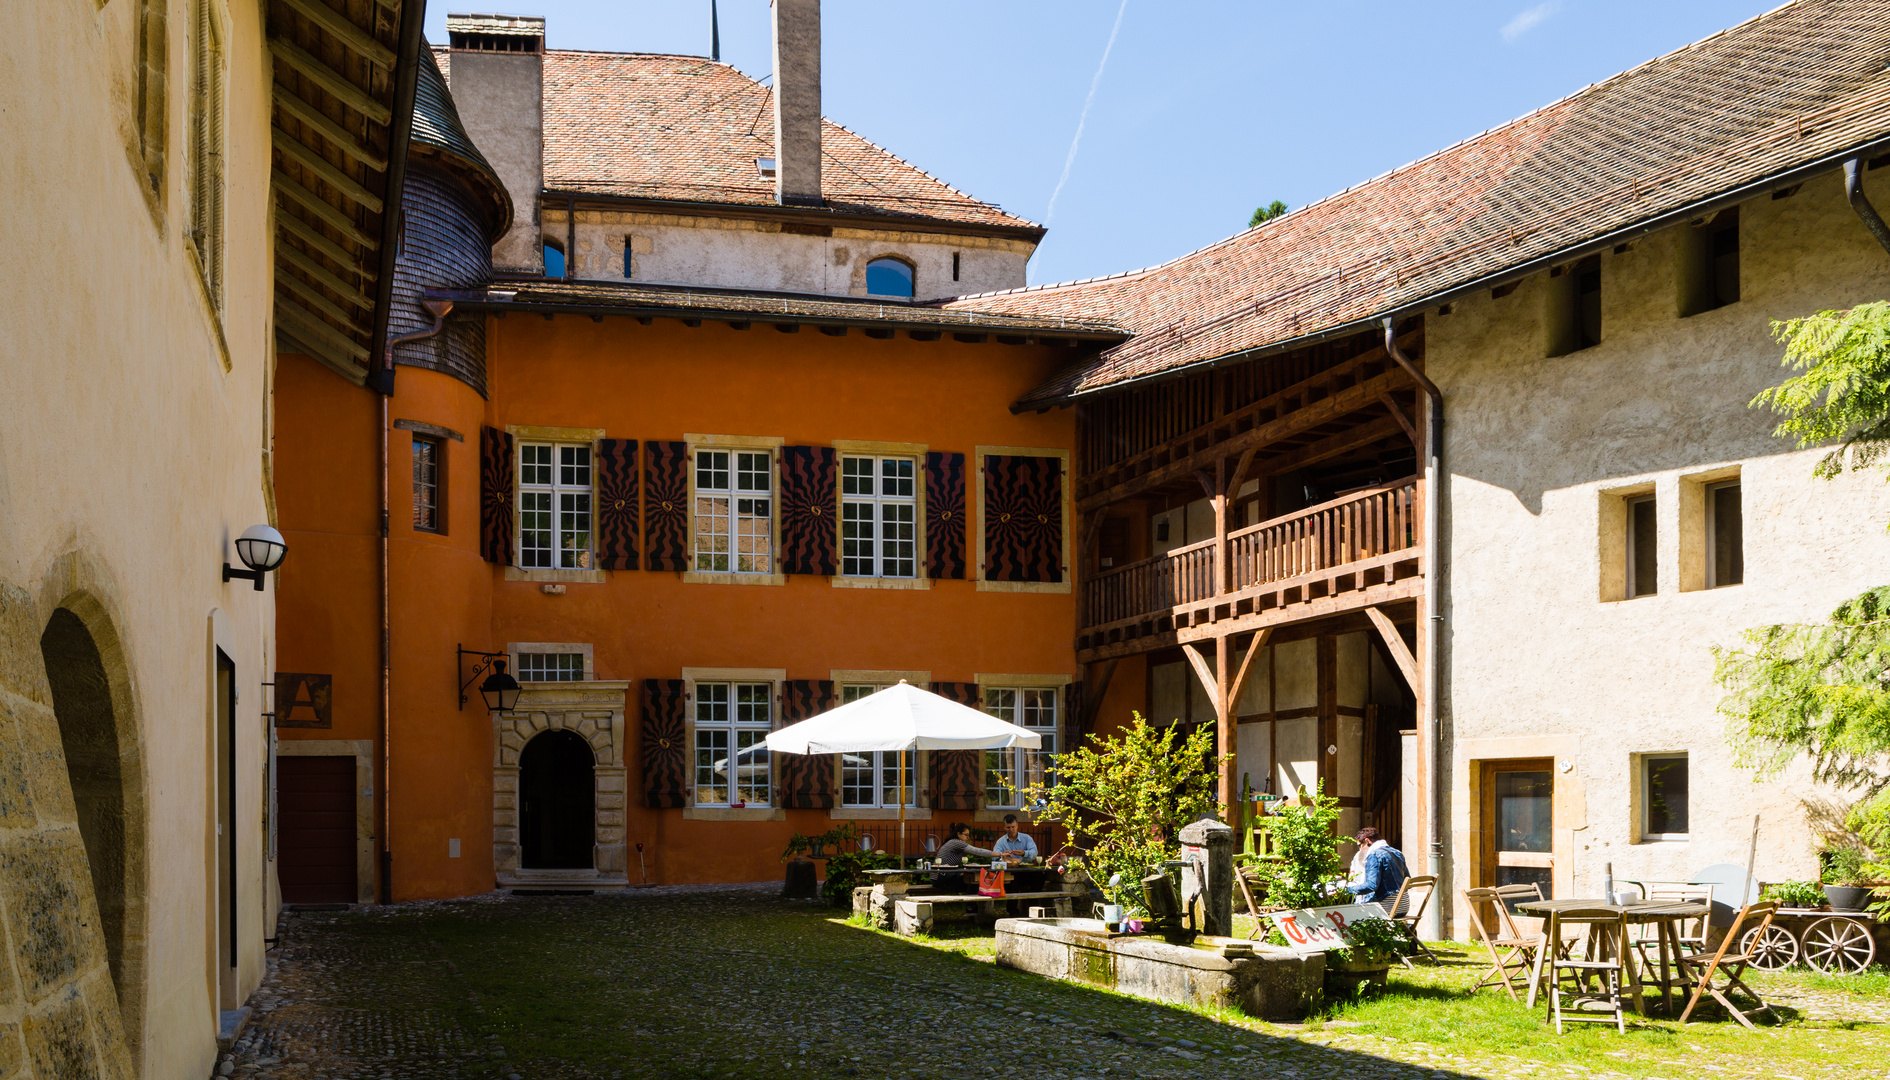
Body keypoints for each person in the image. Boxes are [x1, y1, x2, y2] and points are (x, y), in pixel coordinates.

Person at [1346, 827, 1409, 909]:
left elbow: (1371, 886)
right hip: (1404, 905)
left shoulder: (1374, 855)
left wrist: (1345, 890)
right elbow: (1407, 878)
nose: (1360, 850)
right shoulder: (1397, 852)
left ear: (1367, 841)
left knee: (1350, 912)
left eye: (1360, 845)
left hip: (1387, 907)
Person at [934, 823, 1001, 866]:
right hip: (941, 876)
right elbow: (977, 851)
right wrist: (1000, 854)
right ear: (959, 834)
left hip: (942, 874)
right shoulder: (957, 843)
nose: (967, 838)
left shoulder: (953, 842)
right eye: (966, 835)